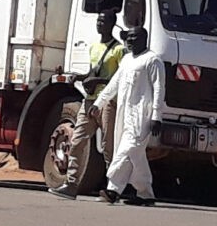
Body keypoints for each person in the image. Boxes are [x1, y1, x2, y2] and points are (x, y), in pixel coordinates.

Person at [47, 13, 125, 199]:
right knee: (77, 141)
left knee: (108, 147)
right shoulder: (94, 47)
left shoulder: (119, 50)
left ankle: (111, 188)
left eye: (103, 21)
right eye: (98, 21)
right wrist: (79, 77)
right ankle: (71, 184)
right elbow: (93, 71)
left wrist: (97, 81)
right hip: (89, 101)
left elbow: (121, 78)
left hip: (107, 103)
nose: (99, 24)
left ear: (112, 24)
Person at [97, 24, 163, 205]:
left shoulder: (152, 60)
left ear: (144, 39)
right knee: (136, 154)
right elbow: (114, 84)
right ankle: (146, 194)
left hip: (143, 115)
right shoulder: (126, 60)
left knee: (128, 148)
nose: (130, 41)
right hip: (125, 113)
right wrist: (98, 103)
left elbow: (159, 89)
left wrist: (156, 116)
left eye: (134, 37)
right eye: (128, 38)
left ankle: (112, 189)